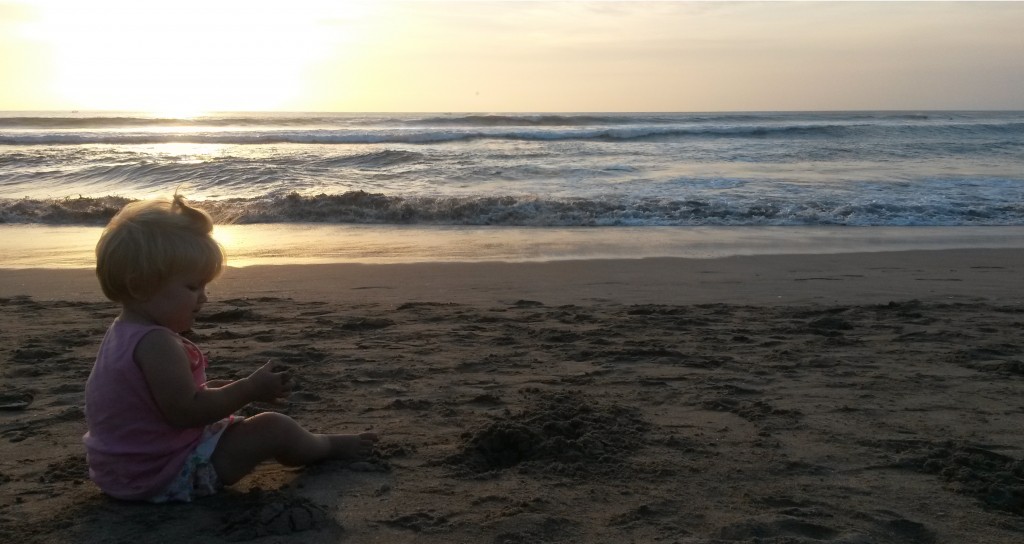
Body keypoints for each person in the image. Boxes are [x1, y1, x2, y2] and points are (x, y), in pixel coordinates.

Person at [83, 194, 377, 502]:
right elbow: (186, 412)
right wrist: (248, 389)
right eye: (192, 287)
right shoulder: (156, 343)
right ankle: (325, 447)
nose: (204, 298)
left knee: (232, 410)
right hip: (164, 474)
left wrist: (221, 390)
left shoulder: (122, 333)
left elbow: (154, 402)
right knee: (273, 427)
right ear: (139, 285)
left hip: (120, 472)